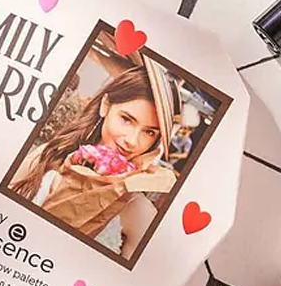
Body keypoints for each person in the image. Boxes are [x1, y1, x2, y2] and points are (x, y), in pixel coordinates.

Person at [9, 57, 181, 260]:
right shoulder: (49, 155)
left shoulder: (139, 211)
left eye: (149, 132)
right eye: (126, 119)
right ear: (105, 105)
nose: (132, 141)